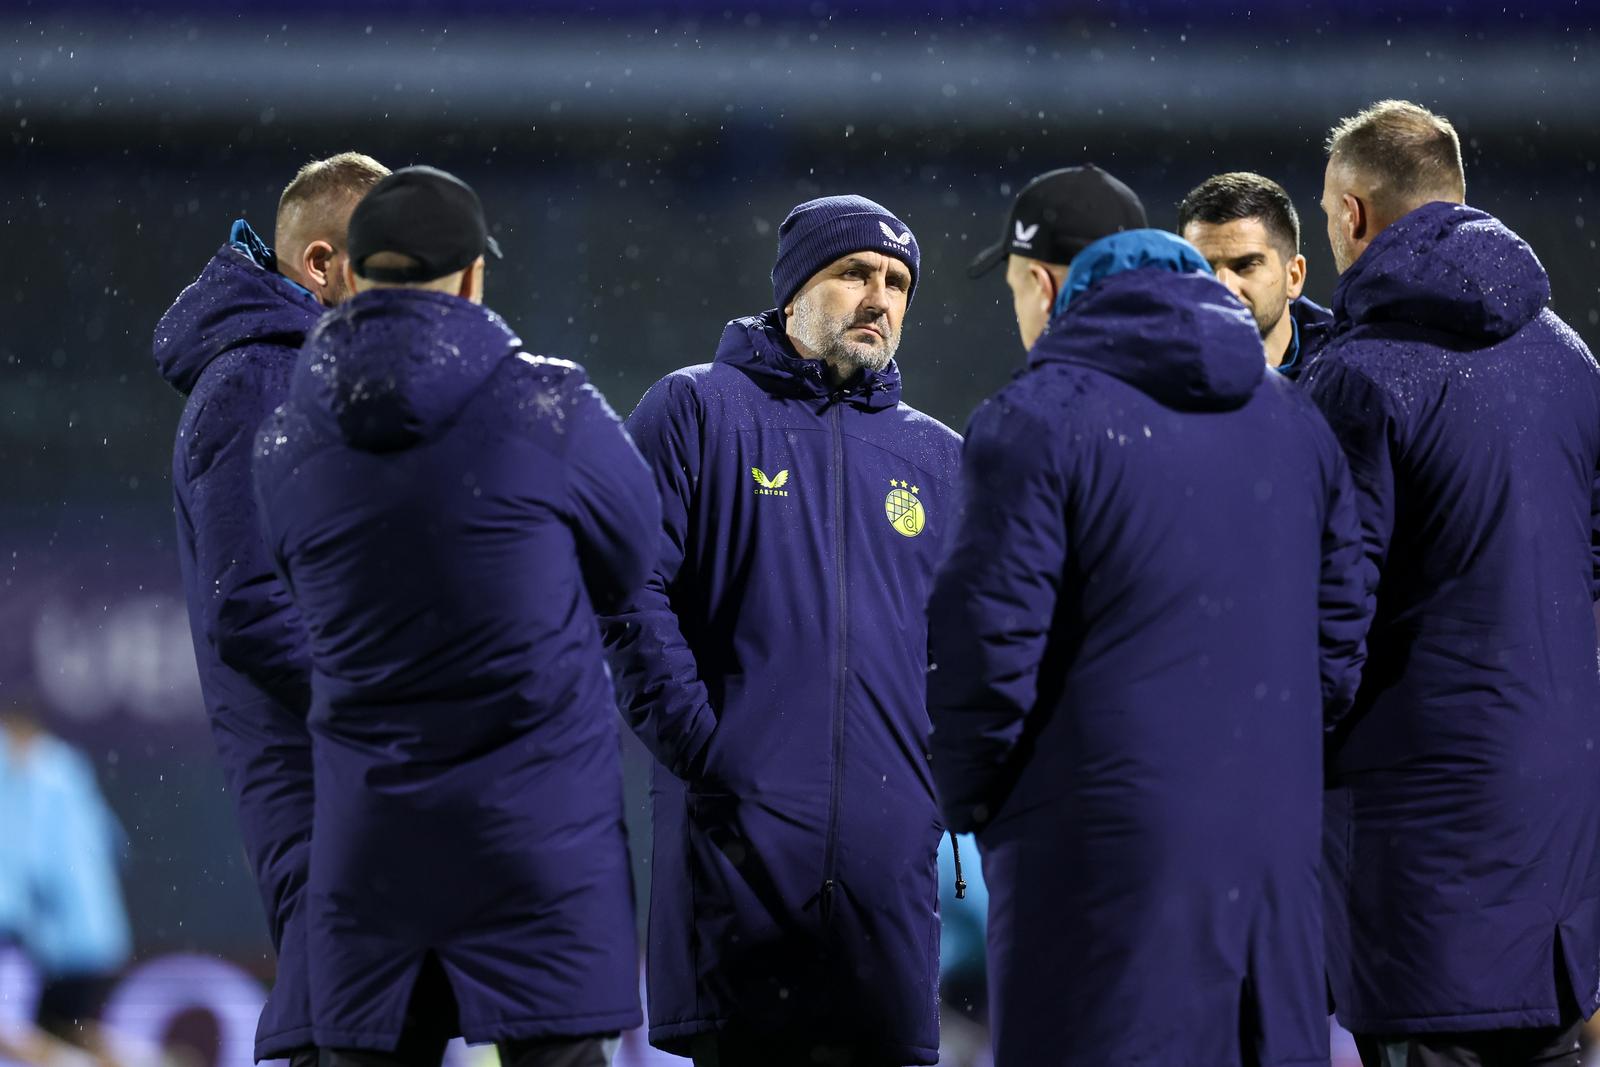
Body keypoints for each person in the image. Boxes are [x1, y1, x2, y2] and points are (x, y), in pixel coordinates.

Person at [930, 164, 1372, 1067]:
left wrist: (975, 797)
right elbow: (1340, 638)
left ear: (1046, 286)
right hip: (1277, 884)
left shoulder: (1035, 419)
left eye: (1016, 290)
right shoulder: (1297, 423)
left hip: (1094, 874)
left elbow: (983, 651)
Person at [252, 166, 656, 1067]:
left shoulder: (284, 435)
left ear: (350, 274)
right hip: (537, 837)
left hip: (372, 845)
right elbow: (633, 557)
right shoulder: (550, 404)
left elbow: (290, 582)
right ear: (474, 276)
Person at [601, 195, 961, 1067]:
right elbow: (625, 590)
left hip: (887, 886)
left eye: (898, 282)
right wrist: (713, 756)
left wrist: (931, 792)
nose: (879, 297)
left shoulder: (940, 460)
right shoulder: (695, 411)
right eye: (855, 273)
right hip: (739, 867)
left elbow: (971, 651)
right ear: (795, 290)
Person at [1305, 99, 1600, 1067]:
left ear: (1352, 217)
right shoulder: (1569, 362)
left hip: (1422, 889)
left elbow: (1326, 632)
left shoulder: (1357, 379)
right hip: (1561, 891)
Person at [153, 151, 390, 1066]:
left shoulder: (306, 377)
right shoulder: (258, 379)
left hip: (345, 768)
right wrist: (384, 706)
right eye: (389, 263)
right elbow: (248, 604)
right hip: (320, 775)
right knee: (339, 1026)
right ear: (322, 265)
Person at [0, 705, 132, 1067]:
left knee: (51, 1036)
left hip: (60, 939)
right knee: (70, 1029)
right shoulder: (71, 772)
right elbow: (116, 846)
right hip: (100, 935)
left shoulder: (35, 778)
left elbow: (33, 860)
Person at [1178, 171, 1333, 379]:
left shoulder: (1352, 378)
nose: (1224, 286)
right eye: (1201, 268)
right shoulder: (1155, 379)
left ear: (1294, 277)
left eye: (1245, 265)